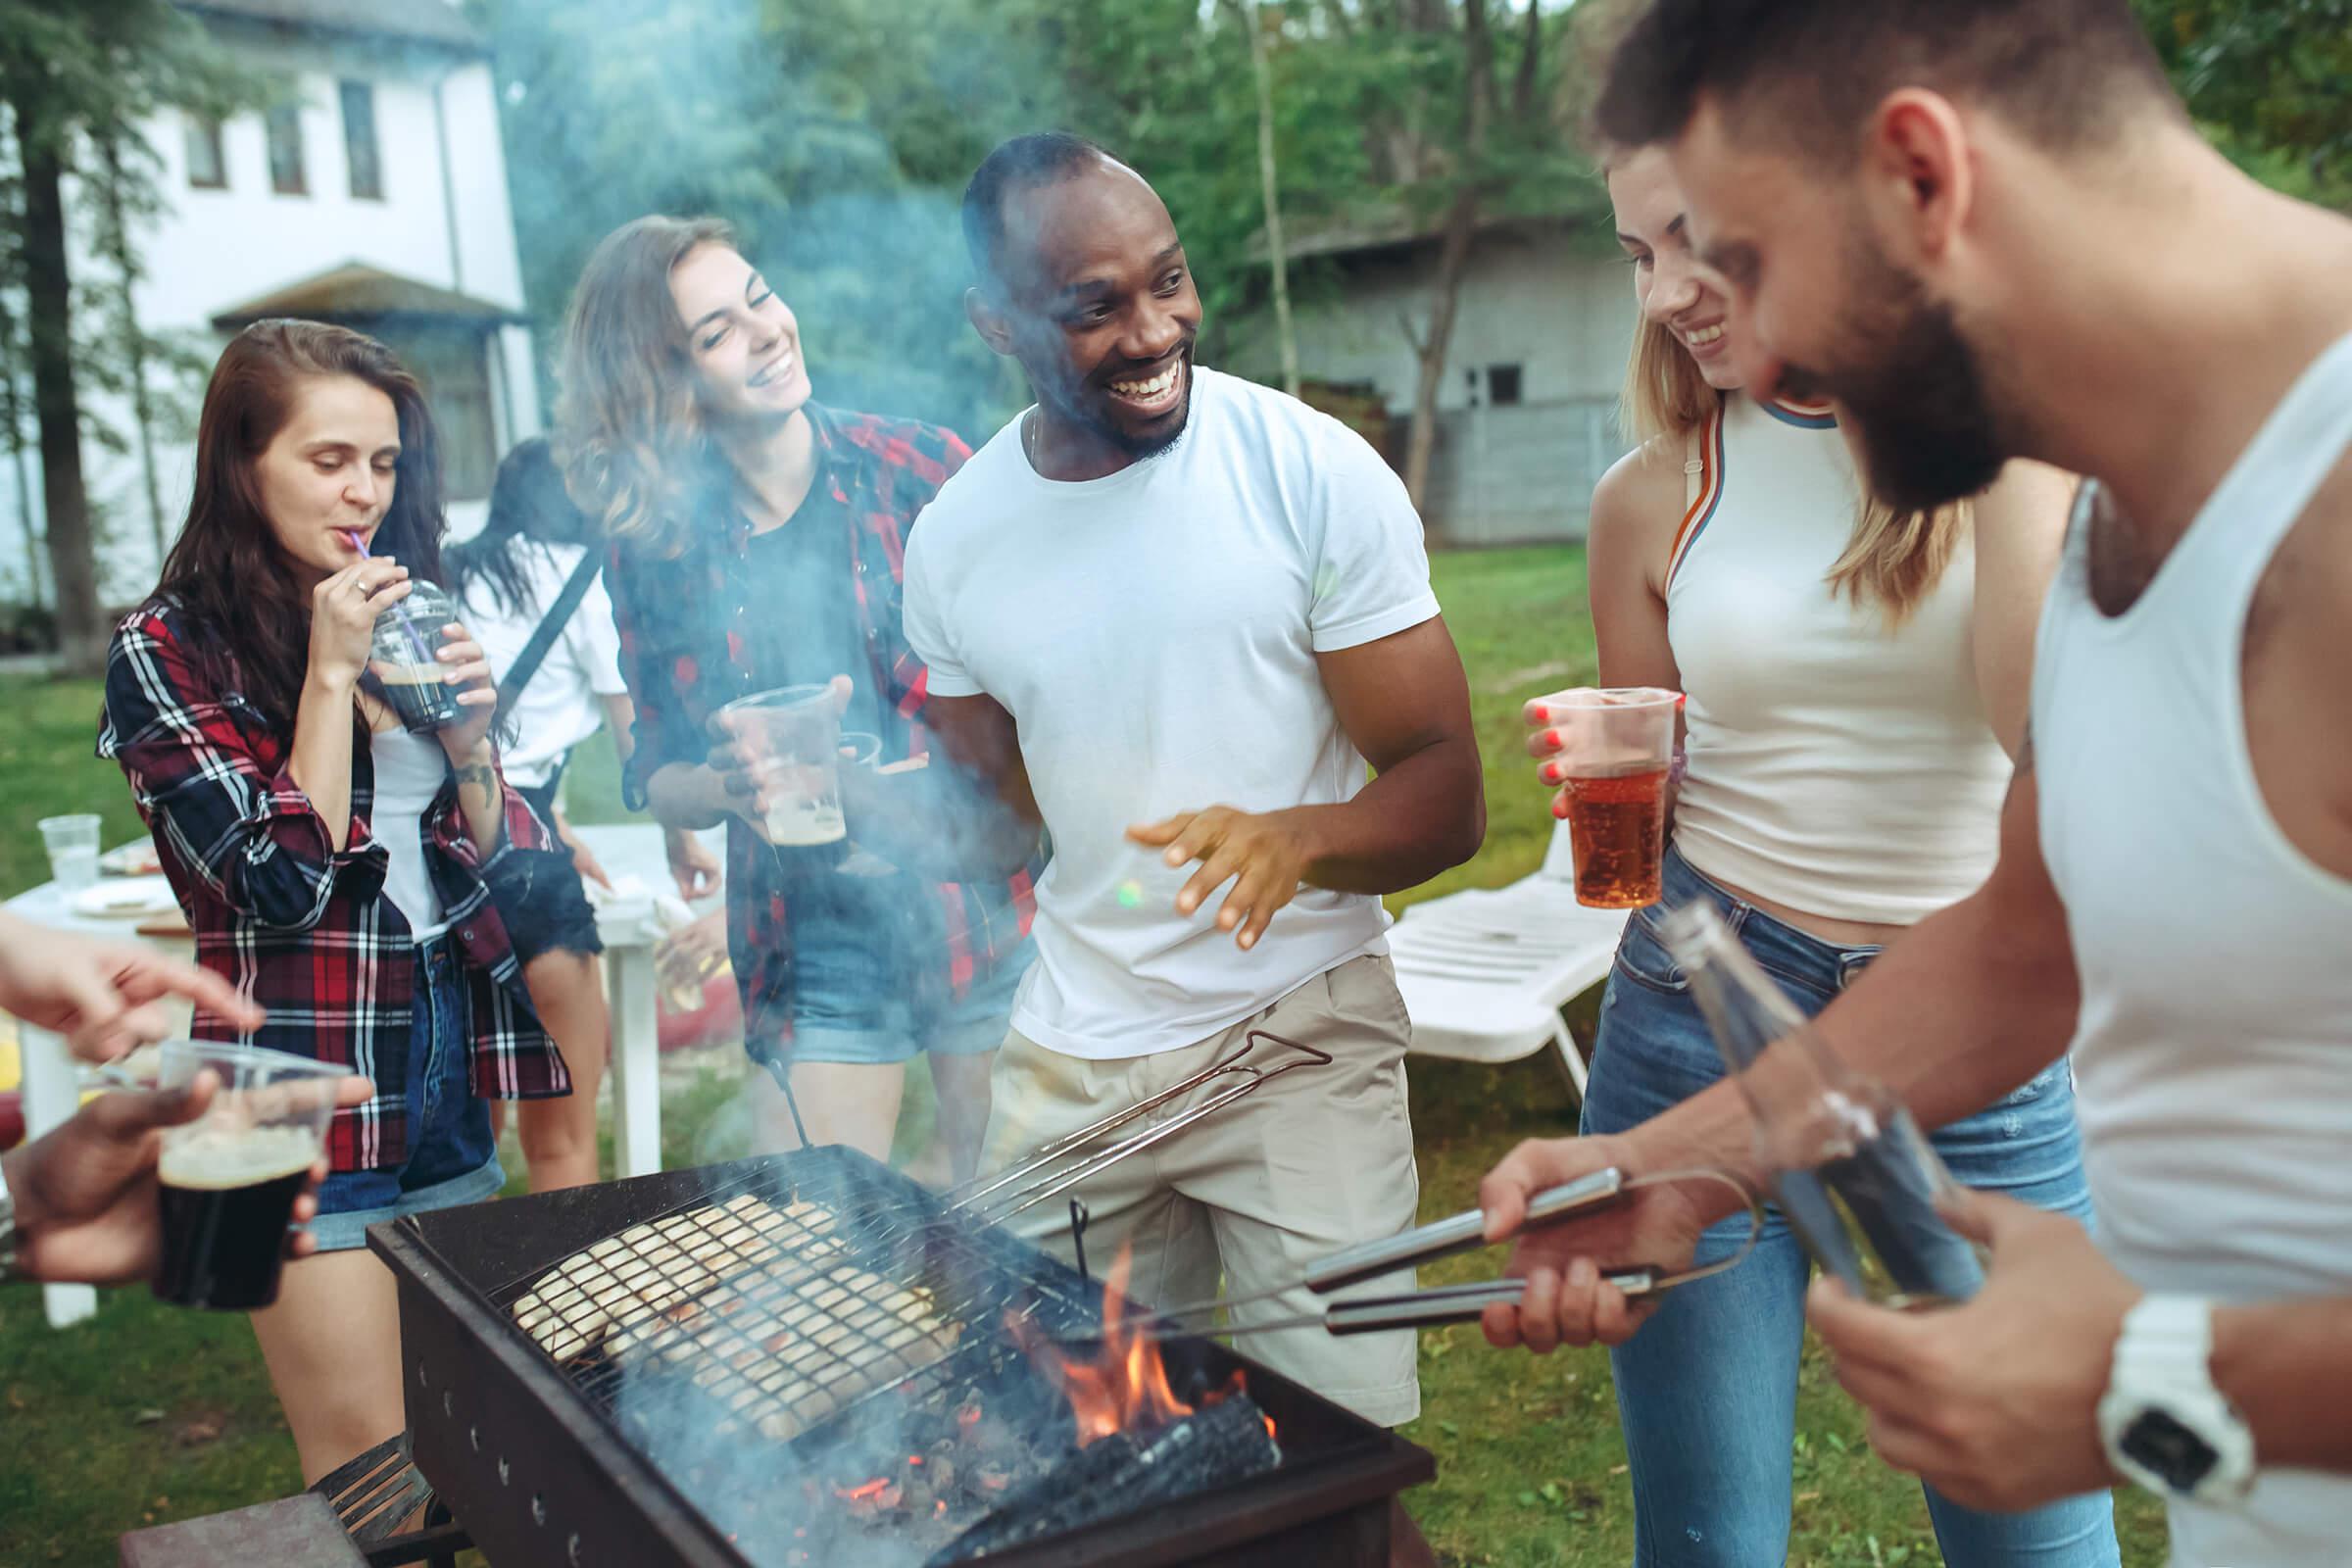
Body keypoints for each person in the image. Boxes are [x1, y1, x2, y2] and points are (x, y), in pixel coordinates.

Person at [1480, 4, 2352, 1563]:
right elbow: (2026, 945)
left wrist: (2154, 1374)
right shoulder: (2125, 512)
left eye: (1740, 259)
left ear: (1917, 178)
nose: (1733, 334)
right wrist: (1667, 1163)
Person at [906, 133, 1484, 1566]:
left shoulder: (1306, 471)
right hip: (1078, 1053)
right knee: (1060, 1463)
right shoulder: (957, 540)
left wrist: (1299, 838)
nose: (1153, 331)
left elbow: (1447, 792)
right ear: (998, 326)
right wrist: (885, 808)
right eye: (1093, 306)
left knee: (1339, 1496)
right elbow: (1000, 831)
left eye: (1167, 284)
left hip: (1296, 1036)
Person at [1538, 142, 2112, 1565]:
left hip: (1967, 1031)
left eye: (1689, 241)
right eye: (1633, 257)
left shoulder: (2026, 448)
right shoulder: (1650, 493)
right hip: (1701, 1013)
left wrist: (2005, 433)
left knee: (2035, 1537)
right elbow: (1648, 784)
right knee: (1709, 1541)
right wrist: (1611, 799)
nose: (1665, 293)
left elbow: (2044, 729)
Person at [98, 318, 571, 1484]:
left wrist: (470, 749)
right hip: (286, 1077)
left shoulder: (414, 611)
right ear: (241, 463)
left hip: (440, 1048)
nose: (365, 489)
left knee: (470, 1449)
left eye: (385, 460)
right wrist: (329, 675)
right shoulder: (165, 650)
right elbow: (280, 881)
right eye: (329, 461)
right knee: (371, 1468)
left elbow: (501, 859)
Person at [560, 216, 1039, 1184]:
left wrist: (933, 773)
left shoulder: (925, 471)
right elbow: (656, 771)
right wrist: (725, 782)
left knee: (1009, 1213)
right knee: (820, 1239)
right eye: (716, 333)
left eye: (761, 298)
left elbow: (1036, 688)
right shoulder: (657, 550)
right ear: (665, 381)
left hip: (975, 902)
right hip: (811, 932)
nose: (768, 330)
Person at [447, 436, 650, 1191]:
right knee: (560, 1141)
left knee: (465, 1143)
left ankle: (459, 1299)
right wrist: (688, 841)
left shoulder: (450, 574)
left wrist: (555, 821)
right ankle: (568, 1303)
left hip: (437, 850)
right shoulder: (584, 576)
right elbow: (638, 740)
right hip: (525, 869)